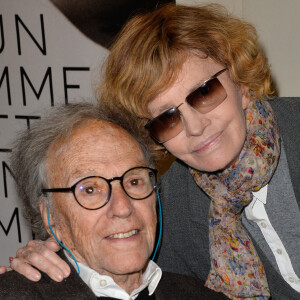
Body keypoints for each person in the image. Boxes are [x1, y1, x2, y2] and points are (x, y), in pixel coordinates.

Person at [3, 3, 300, 299]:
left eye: (205, 92)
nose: (195, 127)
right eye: (167, 118)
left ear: (243, 84)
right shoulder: (168, 207)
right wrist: (52, 253)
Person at [0, 102, 227, 299]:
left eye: (134, 182)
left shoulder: (204, 294)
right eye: (90, 189)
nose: (122, 207)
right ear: (51, 216)